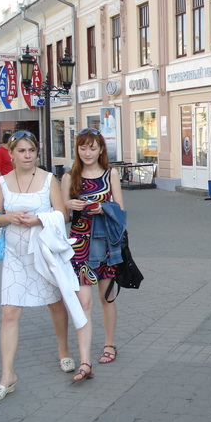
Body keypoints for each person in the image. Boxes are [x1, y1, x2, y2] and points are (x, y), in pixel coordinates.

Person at [0, 131, 88, 402]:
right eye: (21, 151)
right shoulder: (3, 182)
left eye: (31, 151)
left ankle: (64, 351)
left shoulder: (48, 179)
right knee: (9, 313)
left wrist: (39, 220)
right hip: (15, 254)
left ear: (36, 153)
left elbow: (62, 214)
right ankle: (7, 376)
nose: (26, 155)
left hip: (43, 253)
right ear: (11, 154)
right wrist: (7, 216)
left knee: (55, 304)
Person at [62, 128, 125, 379]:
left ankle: (110, 343)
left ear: (101, 150)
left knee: (106, 298)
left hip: (106, 246)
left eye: (92, 147)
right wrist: (67, 205)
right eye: (83, 147)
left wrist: (102, 208)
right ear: (77, 149)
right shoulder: (69, 177)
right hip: (78, 248)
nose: (87, 152)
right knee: (83, 302)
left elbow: (121, 211)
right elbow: (62, 218)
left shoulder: (111, 174)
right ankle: (85, 361)